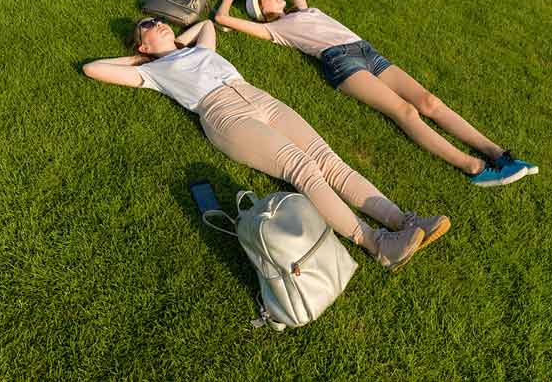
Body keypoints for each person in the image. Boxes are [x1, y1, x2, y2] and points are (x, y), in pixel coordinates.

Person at [82, 17, 450, 271]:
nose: (157, 24)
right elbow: (93, 68)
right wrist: (140, 58)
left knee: (329, 160)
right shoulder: (150, 72)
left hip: (259, 98)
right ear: (142, 45)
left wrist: (177, 41)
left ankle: (405, 221)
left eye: (158, 21)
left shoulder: (197, 49)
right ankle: (377, 244)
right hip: (226, 116)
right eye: (146, 27)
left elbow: (207, 26)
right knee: (303, 170)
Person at [215, 0, 538, 187]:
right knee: (405, 112)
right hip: (340, 63)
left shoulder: (304, 9)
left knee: (429, 102)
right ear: (261, 11)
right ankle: (474, 168)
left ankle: (497, 153)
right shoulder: (276, 31)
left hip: (366, 51)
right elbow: (221, 20)